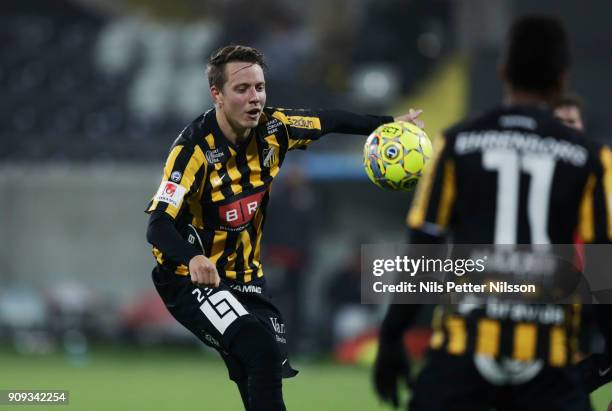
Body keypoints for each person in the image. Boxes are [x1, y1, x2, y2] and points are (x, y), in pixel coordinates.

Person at [145, 44, 423, 411]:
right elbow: (158, 225)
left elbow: (329, 120)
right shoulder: (192, 149)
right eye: (242, 89)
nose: (254, 98)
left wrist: (388, 124)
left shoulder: (276, 128)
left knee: (261, 368)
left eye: (259, 87)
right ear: (217, 95)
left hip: (246, 277)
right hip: (191, 277)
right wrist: (194, 258)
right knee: (257, 347)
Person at [373, 15, 612, 411]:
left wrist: (391, 338)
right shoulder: (590, 159)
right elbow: (605, 272)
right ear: (563, 78)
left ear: (503, 72)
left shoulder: (457, 143)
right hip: (549, 357)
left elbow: (423, 251)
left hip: (464, 350)